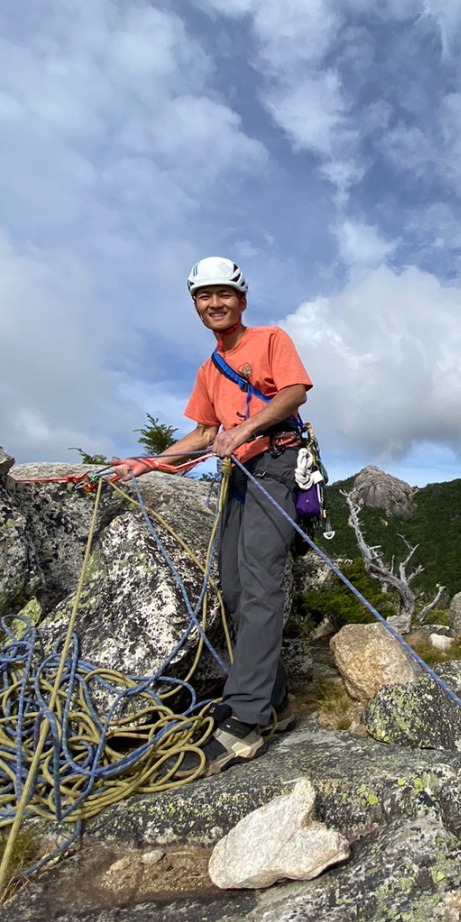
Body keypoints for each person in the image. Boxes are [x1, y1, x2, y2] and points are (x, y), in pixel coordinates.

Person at [112, 256, 312, 775]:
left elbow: (293, 392)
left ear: (241, 300)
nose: (214, 303)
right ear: (196, 306)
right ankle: (272, 698)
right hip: (239, 477)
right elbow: (202, 434)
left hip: (274, 464)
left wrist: (245, 430)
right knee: (232, 587)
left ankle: (245, 720)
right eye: (204, 296)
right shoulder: (208, 369)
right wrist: (151, 464)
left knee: (261, 583)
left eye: (224, 294)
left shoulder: (270, 339)